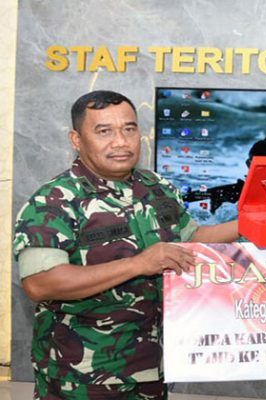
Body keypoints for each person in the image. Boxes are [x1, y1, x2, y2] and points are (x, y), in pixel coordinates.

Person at [13, 90, 239, 399]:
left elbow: (192, 240)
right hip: (83, 377)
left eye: (129, 129)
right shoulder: (54, 201)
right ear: (76, 139)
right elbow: (40, 283)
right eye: (104, 131)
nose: (121, 141)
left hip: (153, 368)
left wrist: (249, 224)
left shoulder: (156, 187)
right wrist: (138, 264)